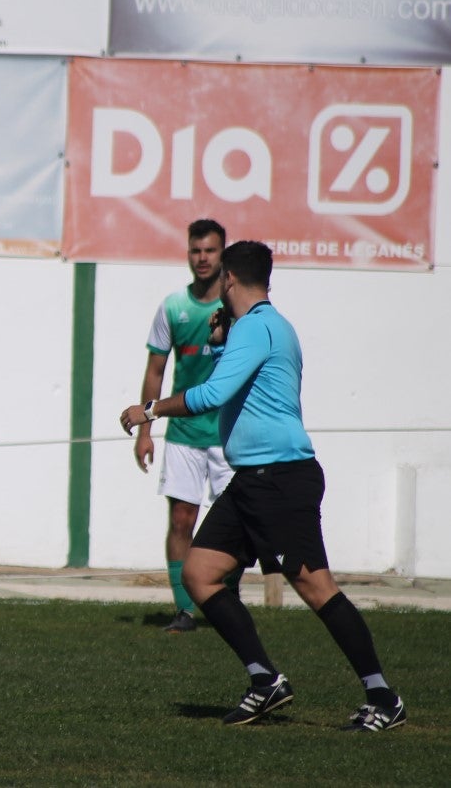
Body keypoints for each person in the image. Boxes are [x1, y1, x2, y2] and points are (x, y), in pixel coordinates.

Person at [120, 241, 406, 731]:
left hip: (280, 479)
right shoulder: (264, 327)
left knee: (317, 589)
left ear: (229, 279)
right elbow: (236, 376)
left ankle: (384, 697)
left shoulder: (257, 327)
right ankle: (265, 681)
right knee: (201, 573)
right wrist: (217, 341)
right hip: (252, 480)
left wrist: (148, 410)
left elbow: (212, 393)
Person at [135, 218, 239, 633]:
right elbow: (155, 370)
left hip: (229, 433)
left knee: (236, 521)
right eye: (196, 250)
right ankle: (184, 610)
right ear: (188, 252)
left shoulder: (238, 309)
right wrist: (145, 430)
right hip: (184, 433)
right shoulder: (173, 307)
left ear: (222, 255)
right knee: (181, 519)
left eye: (210, 251)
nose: (202, 258)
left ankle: (225, 602)